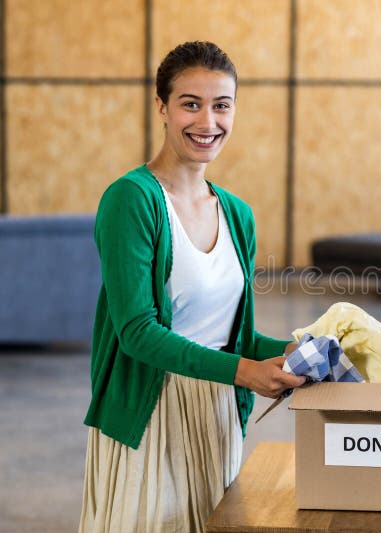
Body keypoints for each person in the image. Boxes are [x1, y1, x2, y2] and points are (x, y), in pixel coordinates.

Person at [79, 41, 306, 532]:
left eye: (222, 105)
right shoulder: (131, 200)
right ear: (161, 106)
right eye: (191, 103)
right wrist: (244, 372)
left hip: (218, 414)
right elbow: (137, 331)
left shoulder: (237, 214)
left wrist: (289, 352)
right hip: (151, 414)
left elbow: (231, 335)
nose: (208, 122)